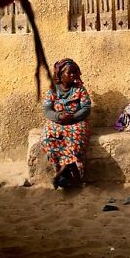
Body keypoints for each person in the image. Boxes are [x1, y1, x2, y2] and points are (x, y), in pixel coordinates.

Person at [42, 58, 92, 189]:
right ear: (60, 75)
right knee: (49, 137)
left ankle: (62, 173)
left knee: (75, 137)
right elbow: (47, 110)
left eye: (75, 72)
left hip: (76, 121)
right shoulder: (53, 90)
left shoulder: (80, 90)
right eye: (69, 72)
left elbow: (86, 108)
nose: (73, 75)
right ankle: (64, 171)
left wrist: (73, 117)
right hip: (57, 122)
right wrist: (59, 116)